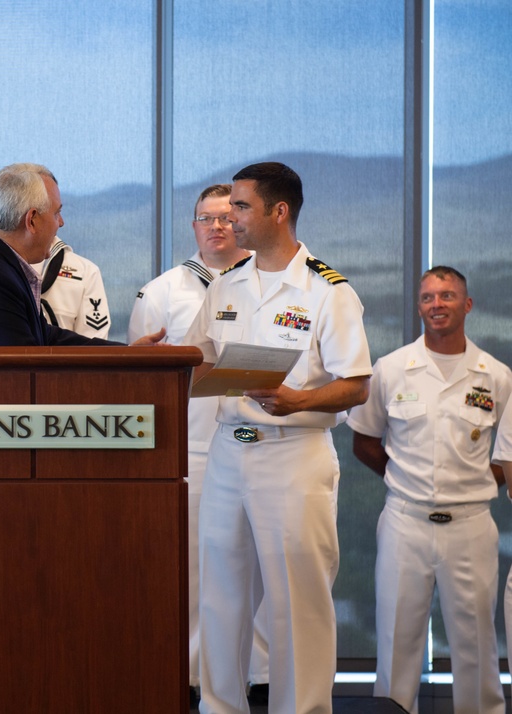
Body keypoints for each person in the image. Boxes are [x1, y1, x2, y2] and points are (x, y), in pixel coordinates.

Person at [182, 162, 372, 714]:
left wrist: (299, 401)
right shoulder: (225, 286)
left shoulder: (326, 291)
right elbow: (198, 362)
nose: (229, 217)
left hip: (292, 456)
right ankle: (219, 707)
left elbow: (356, 386)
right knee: (220, 597)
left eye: (241, 207)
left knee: (297, 603)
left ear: (278, 211)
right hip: (227, 452)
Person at [348, 266, 508, 714]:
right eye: (427, 297)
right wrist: (407, 482)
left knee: (477, 643)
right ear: (419, 306)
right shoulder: (392, 369)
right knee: (397, 641)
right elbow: (364, 441)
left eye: (447, 295)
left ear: (467, 304)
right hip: (405, 521)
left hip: (471, 526)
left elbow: (506, 457)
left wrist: (469, 484)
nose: (436, 304)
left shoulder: (495, 376)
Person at [128, 183, 262, 706]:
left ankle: (258, 678)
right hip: (193, 451)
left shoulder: (268, 283)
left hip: (265, 442)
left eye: (228, 217)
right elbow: (143, 383)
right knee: (194, 574)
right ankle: (189, 682)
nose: (217, 227)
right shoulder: (161, 292)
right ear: (193, 226)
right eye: (206, 218)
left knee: (261, 580)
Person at [0, 162, 164, 347]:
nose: (61, 222)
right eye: (56, 213)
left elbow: (48, 339)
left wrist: (129, 355)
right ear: (32, 220)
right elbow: (19, 377)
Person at [32, 237, 111, 338]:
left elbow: (93, 346)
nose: (61, 222)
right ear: (30, 221)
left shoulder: (86, 271)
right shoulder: (7, 268)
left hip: (62, 352)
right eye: (56, 219)